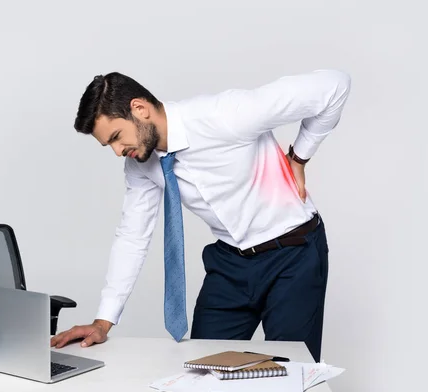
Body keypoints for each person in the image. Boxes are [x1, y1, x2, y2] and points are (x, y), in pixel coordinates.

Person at [50, 69, 351, 362]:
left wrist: (299, 157)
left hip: (293, 253)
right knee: (204, 370)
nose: (117, 151)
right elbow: (133, 235)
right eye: (109, 145)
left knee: (290, 374)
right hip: (230, 263)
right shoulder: (140, 164)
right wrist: (103, 321)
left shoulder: (226, 115)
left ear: (139, 108)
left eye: (117, 137)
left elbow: (334, 85)